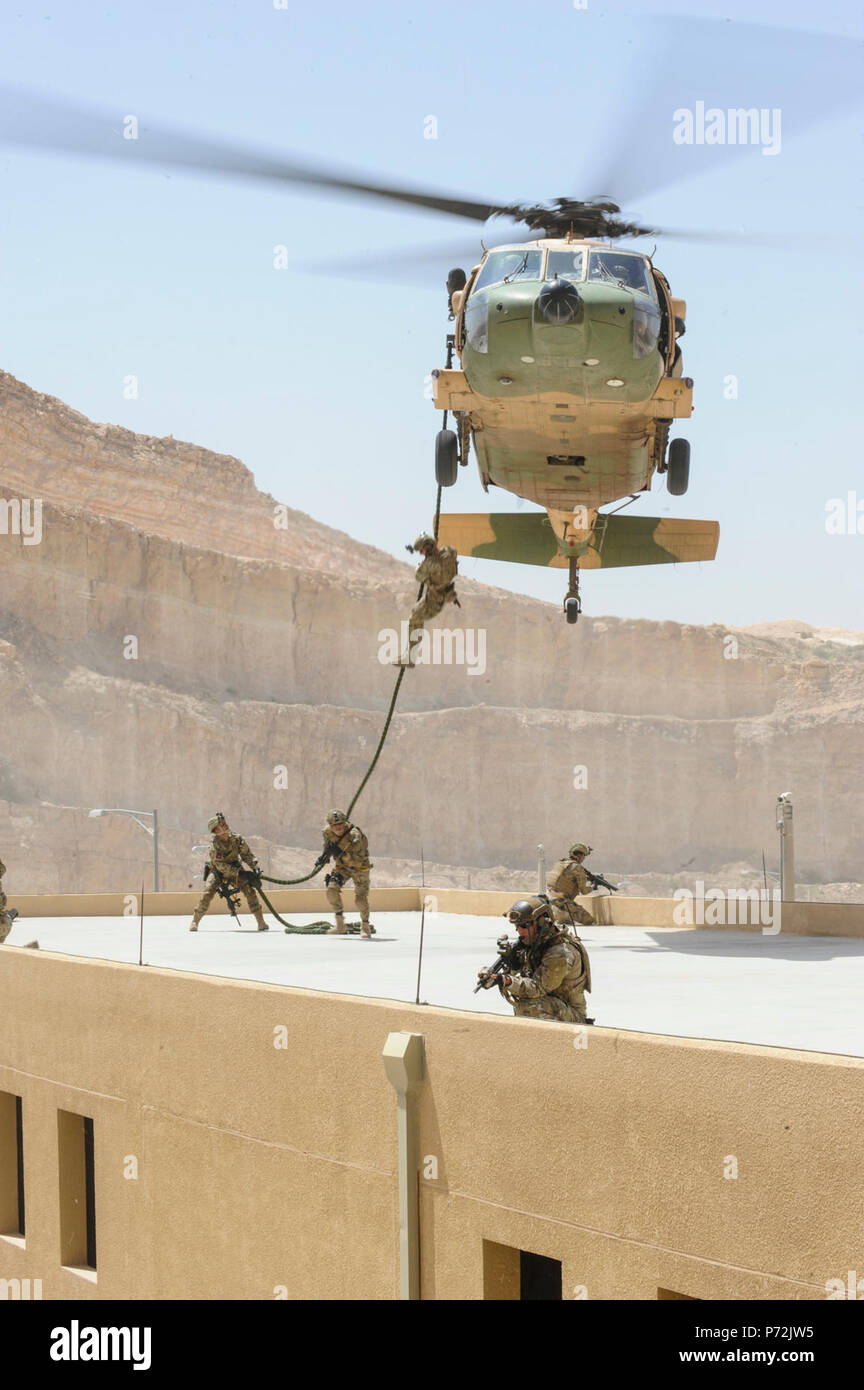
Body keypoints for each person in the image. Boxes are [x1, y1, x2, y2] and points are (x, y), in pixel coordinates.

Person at [477, 896, 592, 1024]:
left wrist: (507, 980)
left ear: (541, 922)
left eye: (524, 925)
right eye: (517, 926)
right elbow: (519, 979)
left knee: (530, 1005)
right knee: (526, 1003)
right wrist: (509, 968)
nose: (519, 931)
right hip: (553, 1006)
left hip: (573, 1018)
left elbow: (537, 988)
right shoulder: (534, 943)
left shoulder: (560, 952)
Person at [190, 814, 268, 932]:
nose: (225, 825)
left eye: (224, 823)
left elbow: (246, 854)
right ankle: (195, 921)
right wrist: (239, 873)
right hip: (217, 872)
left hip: (235, 868)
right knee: (207, 892)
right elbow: (220, 866)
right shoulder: (214, 847)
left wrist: (254, 867)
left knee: (249, 890)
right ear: (216, 831)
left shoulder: (236, 839)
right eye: (221, 825)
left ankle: (261, 922)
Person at [404, 534, 459, 661]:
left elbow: (418, 575)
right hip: (445, 594)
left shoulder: (429, 563)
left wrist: (422, 563)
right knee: (416, 617)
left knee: (414, 619)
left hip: (434, 600)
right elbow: (451, 553)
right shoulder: (449, 553)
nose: (422, 553)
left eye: (422, 551)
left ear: (428, 548)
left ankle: (410, 655)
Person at [319, 811, 373, 938]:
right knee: (331, 889)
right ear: (330, 825)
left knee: (360, 899)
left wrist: (340, 853)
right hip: (342, 867)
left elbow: (357, 857)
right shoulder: (327, 832)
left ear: (345, 823)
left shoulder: (354, 835)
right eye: (334, 825)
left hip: (359, 867)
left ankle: (365, 926)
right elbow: (328, 846)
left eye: (341, 824)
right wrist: (324, 856)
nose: (338, 828)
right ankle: (340, 925)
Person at [547, 842, 596, 928]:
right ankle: (562, 916)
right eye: (584, 856)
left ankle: (562, 917)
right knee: (590, 920)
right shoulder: (576, 867)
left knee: (565, 921)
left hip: (549, 899)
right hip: (562, 902)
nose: (584, 858)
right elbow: (584, 891)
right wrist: (593, 887)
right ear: (580, 855)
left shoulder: (560, 863)